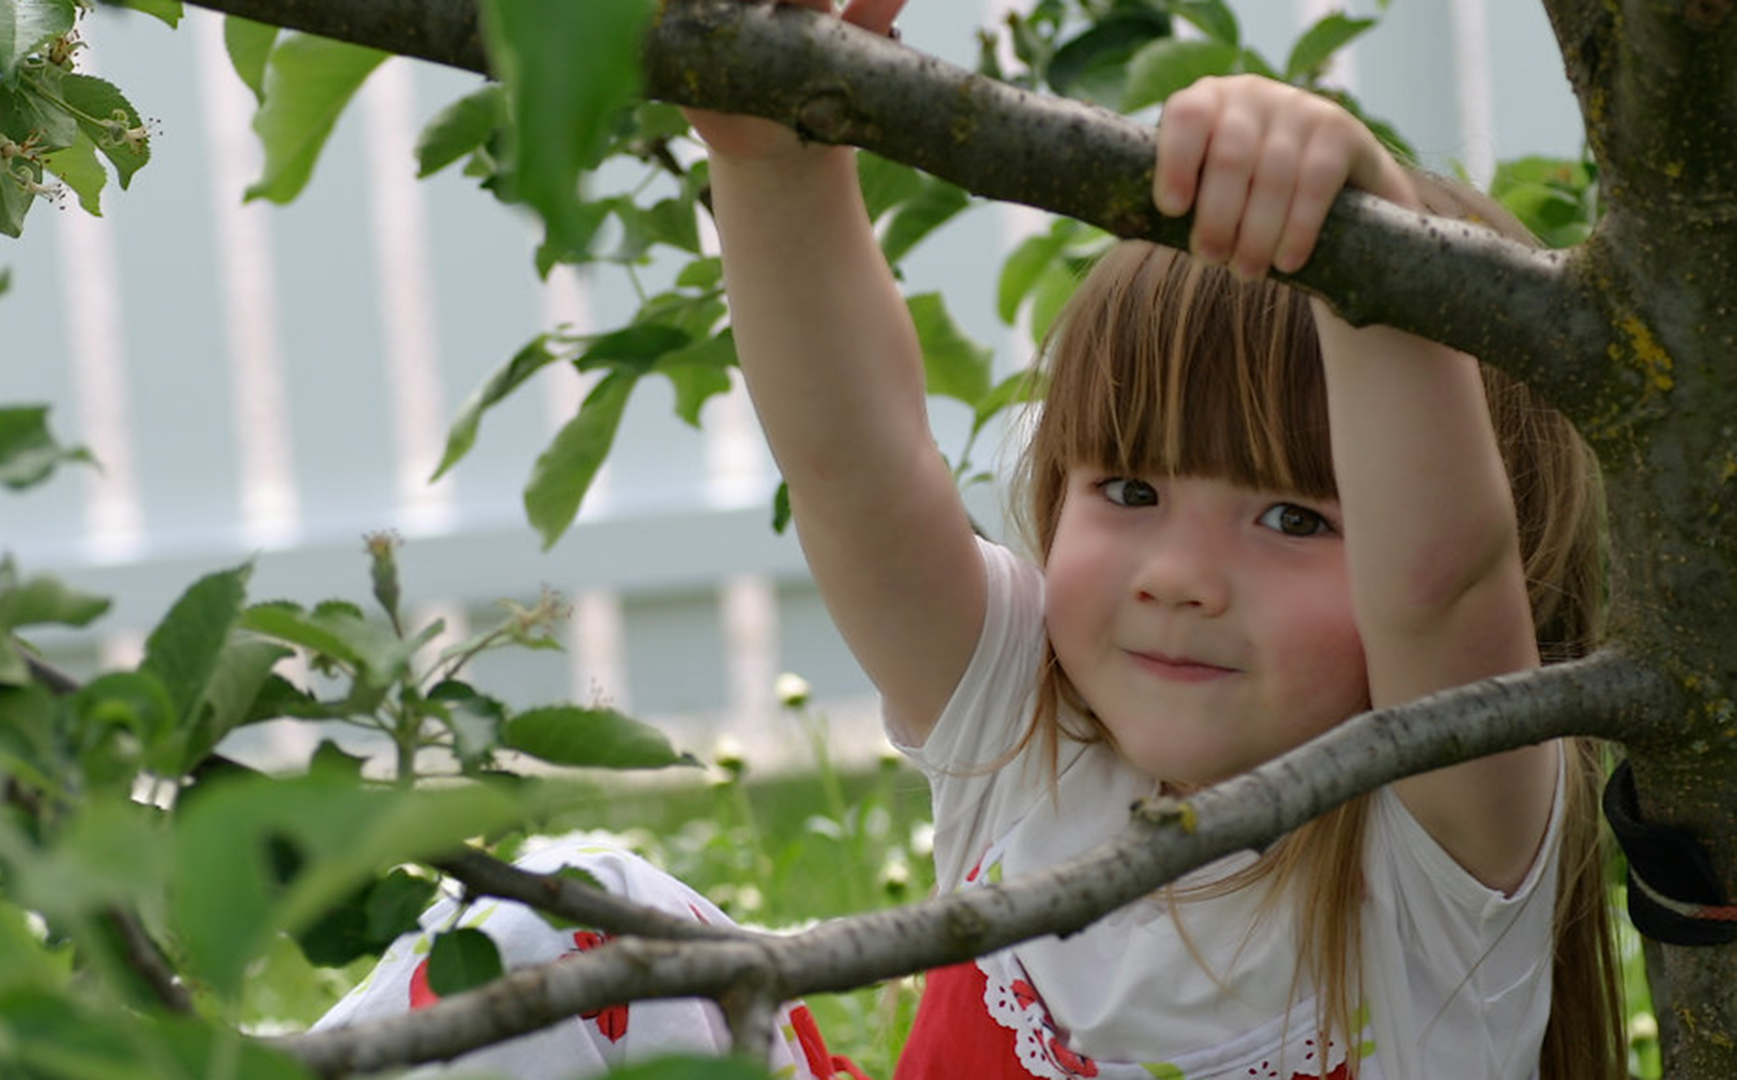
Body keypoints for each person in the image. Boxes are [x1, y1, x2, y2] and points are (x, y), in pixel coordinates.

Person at [684, 2, 1624, 1078]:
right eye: (1129, 489)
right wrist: (772, 164)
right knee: (581, 919)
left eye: (1294, 518)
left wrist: (1374, 254)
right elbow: (859, 471)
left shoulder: (1445, 858)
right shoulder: (1025, 734)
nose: (1178, 578)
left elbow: (1441, 590)